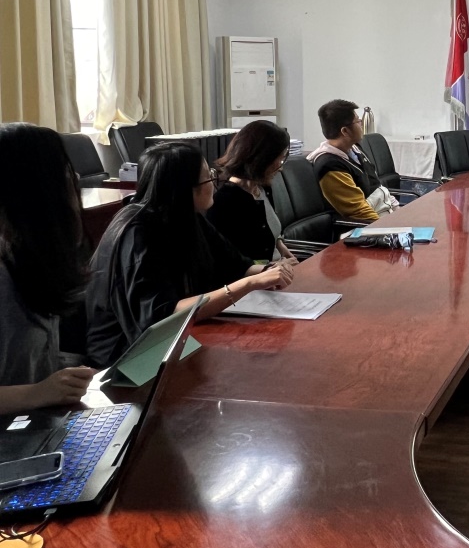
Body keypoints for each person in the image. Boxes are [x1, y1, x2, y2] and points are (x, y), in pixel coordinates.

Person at [86, 141, 293, 368]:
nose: (214, 183)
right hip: (129, 357)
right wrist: (249, 283)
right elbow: (164, 314)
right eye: (208, 178)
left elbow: (236, 265)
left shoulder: (186, 216)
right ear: (184, 188)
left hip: (178, 338)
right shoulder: (138, 232)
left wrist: (270, 271)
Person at [0, 124, 97, 412]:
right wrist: (36, 393)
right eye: (65, 171)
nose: (75, 179)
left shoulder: (31, 257)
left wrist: (69, 373)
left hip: (38, 422)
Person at [206, 120, 297, 263]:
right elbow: (229, 262)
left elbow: (270, 232)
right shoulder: (224, 203)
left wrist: (282, 248)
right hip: (261, 275)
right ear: (261, 160)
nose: (280, 168)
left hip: (279, 270)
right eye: (278, 160)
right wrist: (273, 267)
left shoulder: (263, 188)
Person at [307, 99, 396, 221]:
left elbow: (378, 187)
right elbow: (359, 211)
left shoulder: (355, 150)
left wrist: (398, 211)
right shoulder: (330, 166)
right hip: (368, 225)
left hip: (386, 214)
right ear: (345, 131)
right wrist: (390, 227)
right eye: (358, 121)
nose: (361, 125)